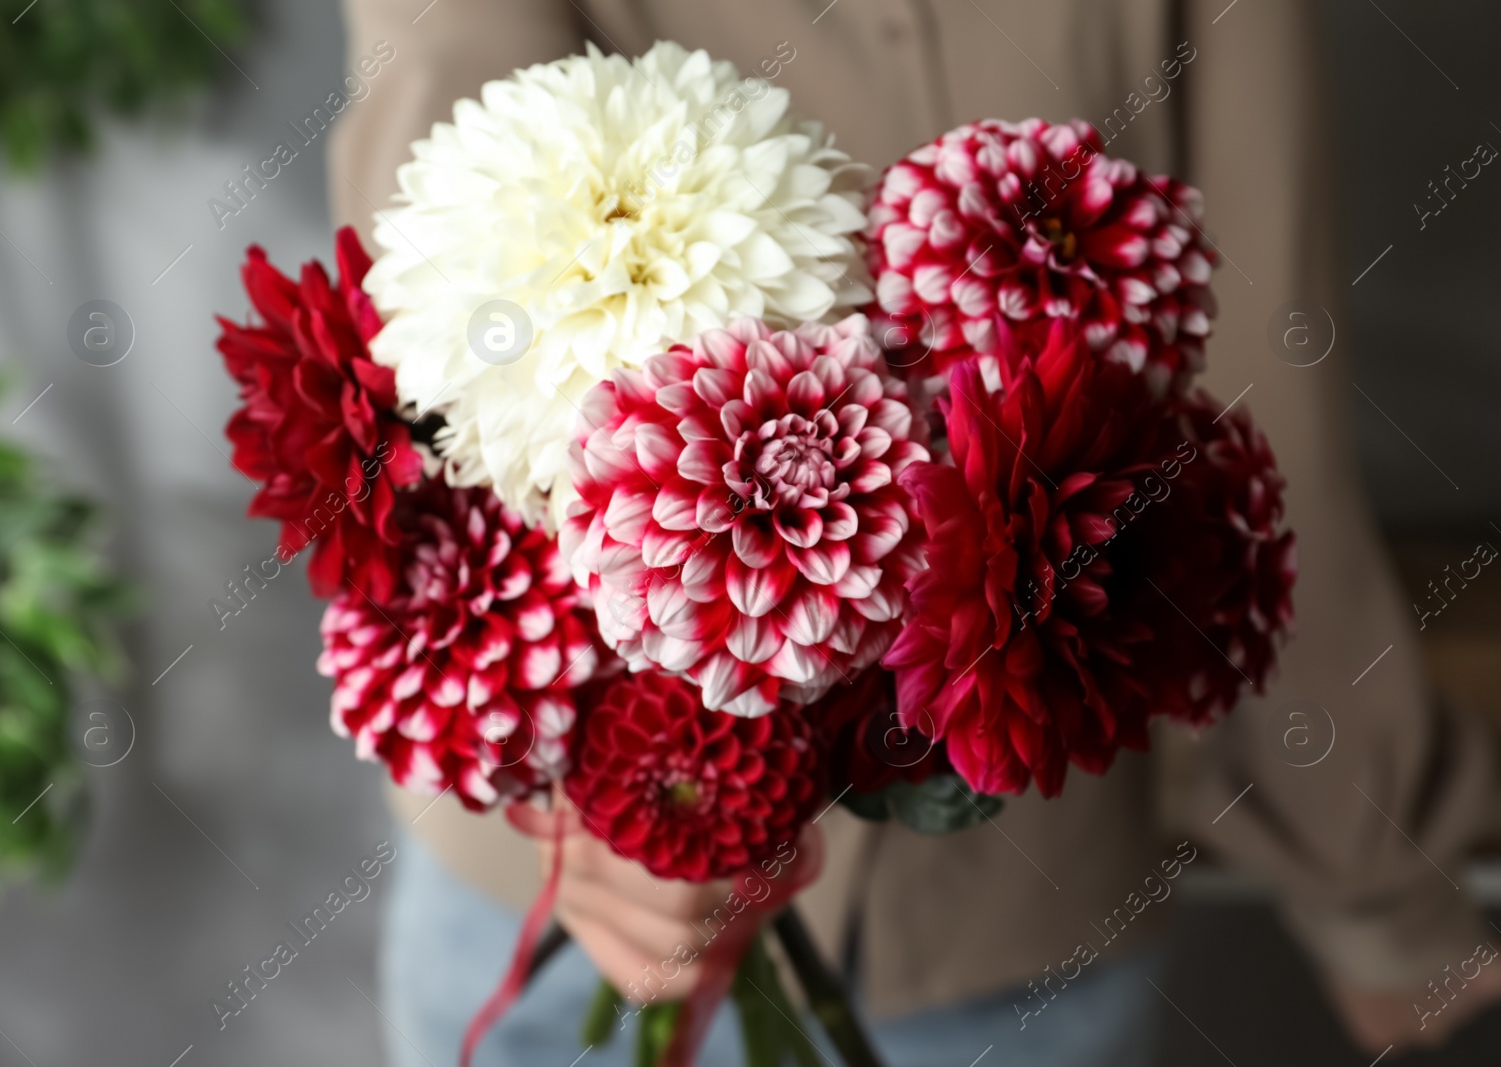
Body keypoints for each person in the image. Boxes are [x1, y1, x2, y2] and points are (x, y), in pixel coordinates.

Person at [328, 2, 1501, 1063]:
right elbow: (450, 277)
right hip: (580, 904)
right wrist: (589, 776)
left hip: (1002, 927)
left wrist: (1372, 874)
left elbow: (1255, 392)